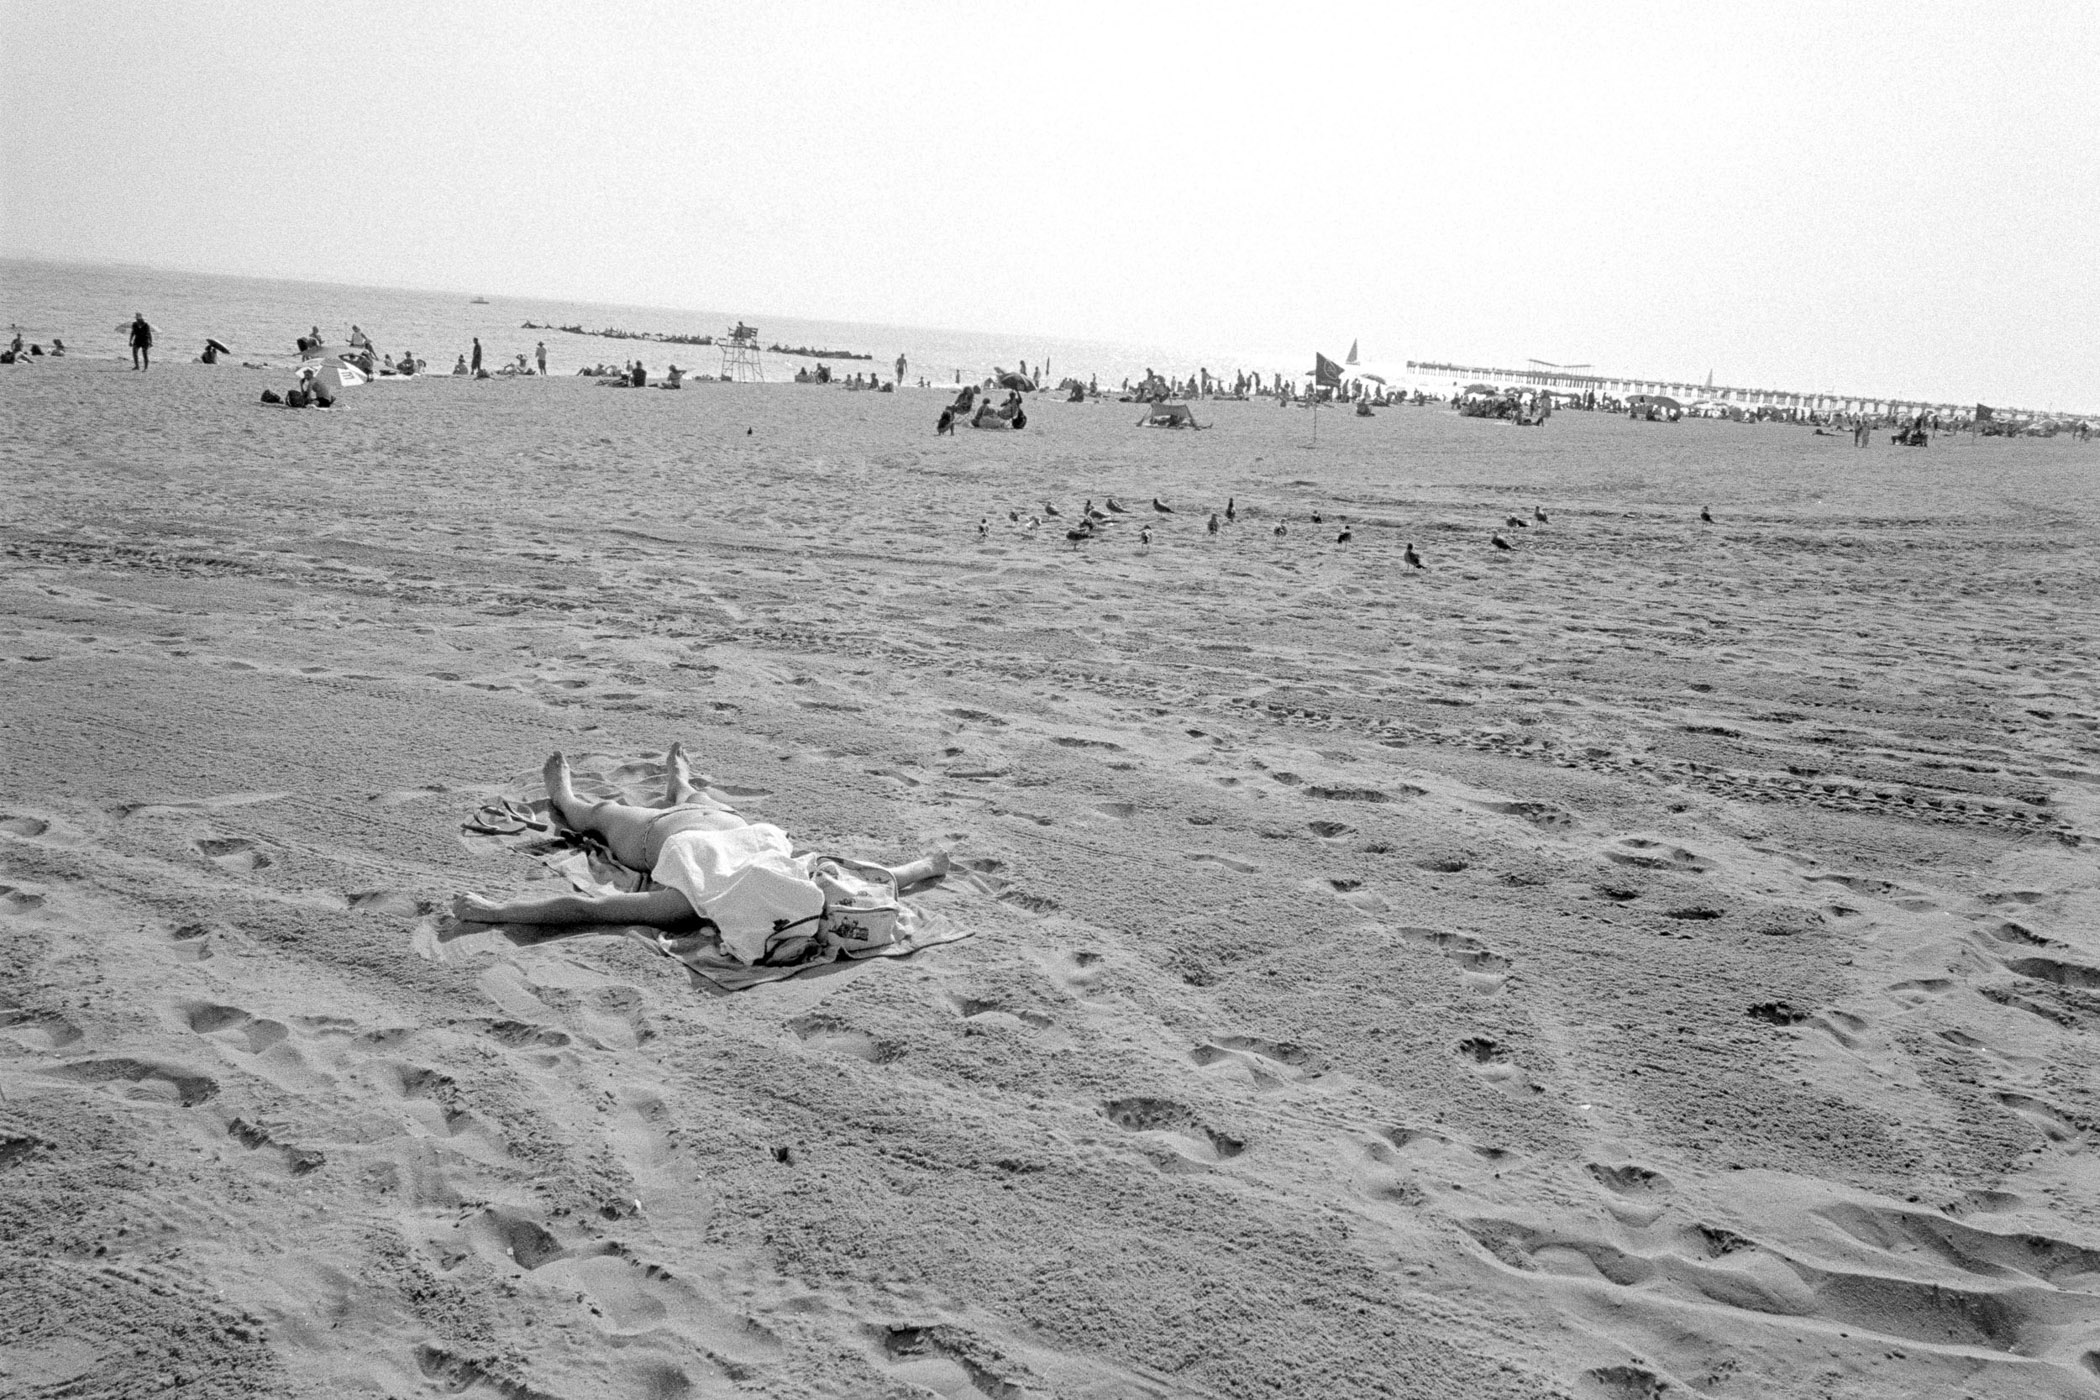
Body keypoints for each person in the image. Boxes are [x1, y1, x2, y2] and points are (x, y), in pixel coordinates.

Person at [451, 746, 949, 933]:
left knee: (593, 814)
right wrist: (925, 867)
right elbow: (881, 882)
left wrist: (495, 911)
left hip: (652, 833)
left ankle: (564, 793)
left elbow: (588, 909)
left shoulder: (687, 903)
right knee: (693, 796)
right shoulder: (797, 883)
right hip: (722, 817)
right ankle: (681, 784)